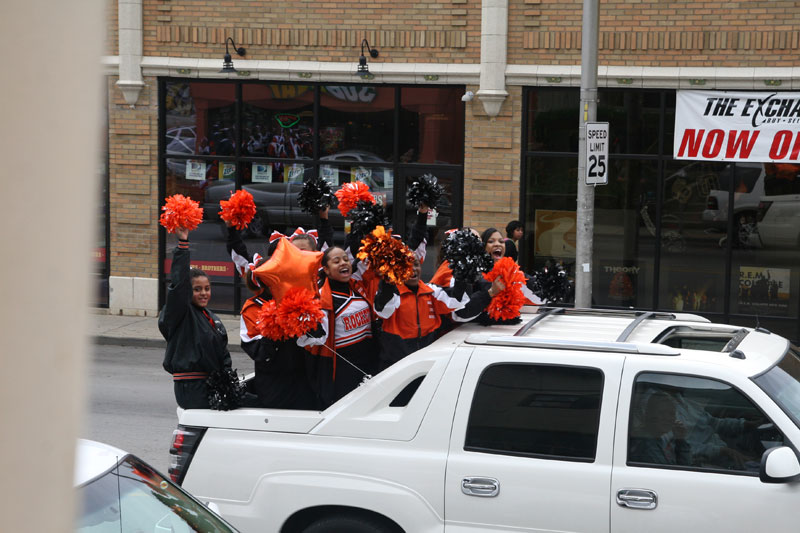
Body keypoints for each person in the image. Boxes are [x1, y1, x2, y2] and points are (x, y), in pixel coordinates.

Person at [159, 227, 232, 409]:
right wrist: (183, 245)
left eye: (207, 288)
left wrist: (229, 382)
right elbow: (179, 286)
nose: (203, 293)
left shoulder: (211, 317)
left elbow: (223, 354)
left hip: (212, 385)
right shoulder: (180, 313)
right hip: (191, 388)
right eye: (197, 289)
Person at [299, 246, 380, 407]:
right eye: (336, 261)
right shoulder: (321, 298)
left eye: (345, 259)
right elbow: (313, 339)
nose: (344, 263)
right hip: (342, 369)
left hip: (369, 360)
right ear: (326, 270)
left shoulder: (358, 286)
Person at [629, 391, 691, 466]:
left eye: (671, 414)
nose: (667, 418)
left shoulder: (655, 438)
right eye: (662, 413)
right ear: (649, 414)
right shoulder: (646, 443)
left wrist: (680, 439)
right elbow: (678, 470)